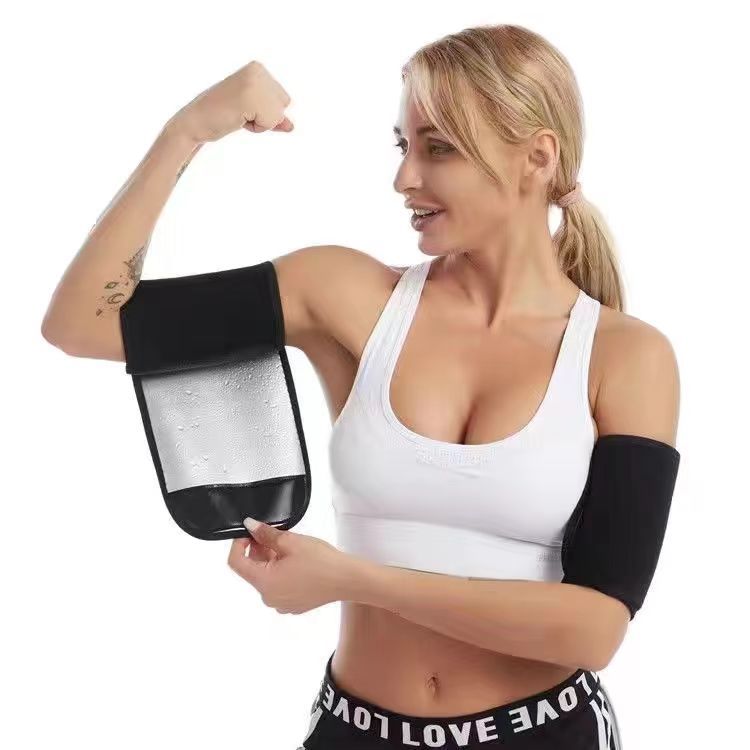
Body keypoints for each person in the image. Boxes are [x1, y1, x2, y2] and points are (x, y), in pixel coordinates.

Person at [41, 23, 679, 750]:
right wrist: (186, 132)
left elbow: (595, 628)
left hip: (546, 732)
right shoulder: (346, 297)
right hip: (355, 730)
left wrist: (354, 580)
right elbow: (80, 323)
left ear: (537, 156)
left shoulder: (627, 357)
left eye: (438, 148)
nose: (405, 178)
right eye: (403, 145)